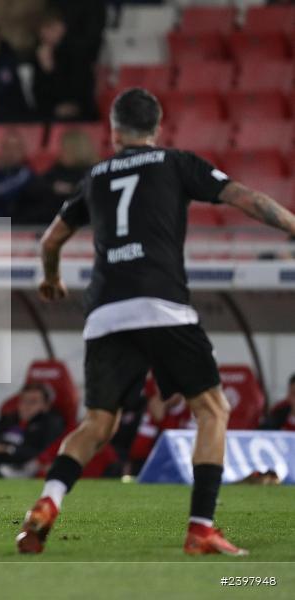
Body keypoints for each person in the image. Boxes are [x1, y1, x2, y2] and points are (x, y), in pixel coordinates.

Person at [17, 87, 295, 556]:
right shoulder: (176, 162)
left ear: (114, 131)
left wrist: (51, 281)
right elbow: (244, 198)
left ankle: (47, 502)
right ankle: (201, 528)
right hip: (161, 303)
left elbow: (50, 241)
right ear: (157, 127)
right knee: (212, 409)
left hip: (105, 311)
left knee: (98, 424)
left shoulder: (96, 176)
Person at [15, 129, 99, 225]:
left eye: (66, 149)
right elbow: (35, 186)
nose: (61, 152)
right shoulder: (58, 168)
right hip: (49, 217)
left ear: (78, 151)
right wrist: (53, 187)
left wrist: (72, 189)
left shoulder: (92, 171)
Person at [32, 9, 101, 122]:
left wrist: (51, 70)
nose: (46, 33)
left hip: (80, 110)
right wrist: (47, 69)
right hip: (51, 113)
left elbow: (80, 86)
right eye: (42, 29)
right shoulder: (39, 54)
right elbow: (39, 94)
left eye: (51, 28)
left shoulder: (77, 52)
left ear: (62, 28)